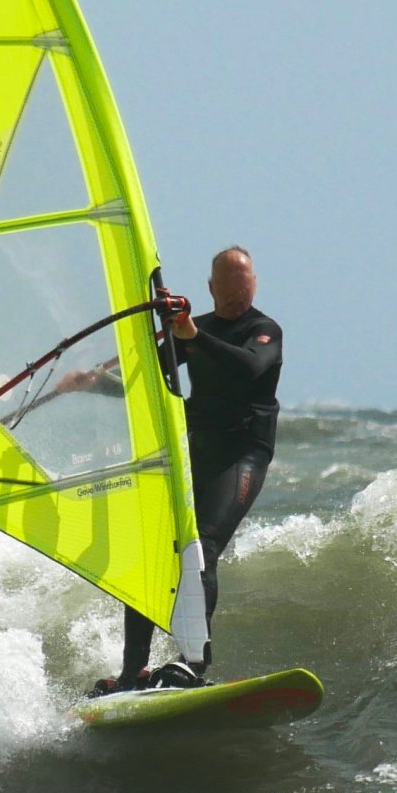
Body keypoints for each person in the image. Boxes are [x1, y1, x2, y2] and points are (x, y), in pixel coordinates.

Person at [91, 246, 282, 693]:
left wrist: (192, 335)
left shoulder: (263, 329)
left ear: (255, 283)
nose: (238, 292)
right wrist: (93, 383)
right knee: (154, 551)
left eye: (245, 282)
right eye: (229, 284)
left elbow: (249, 367)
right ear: (212, 287)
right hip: (197, 451)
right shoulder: (196, 331)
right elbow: (144, 380)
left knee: (203, 547)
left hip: (243, 453)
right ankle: (131, 673)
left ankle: (194, 662)